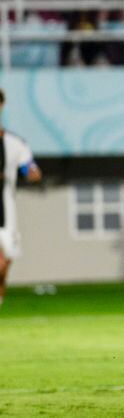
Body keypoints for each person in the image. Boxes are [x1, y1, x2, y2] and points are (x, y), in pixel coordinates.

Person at [0, 88, 43, 308]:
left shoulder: (14, 143)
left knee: (4, 265)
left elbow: (29, 166)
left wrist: (32, 173)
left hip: (6, 213)